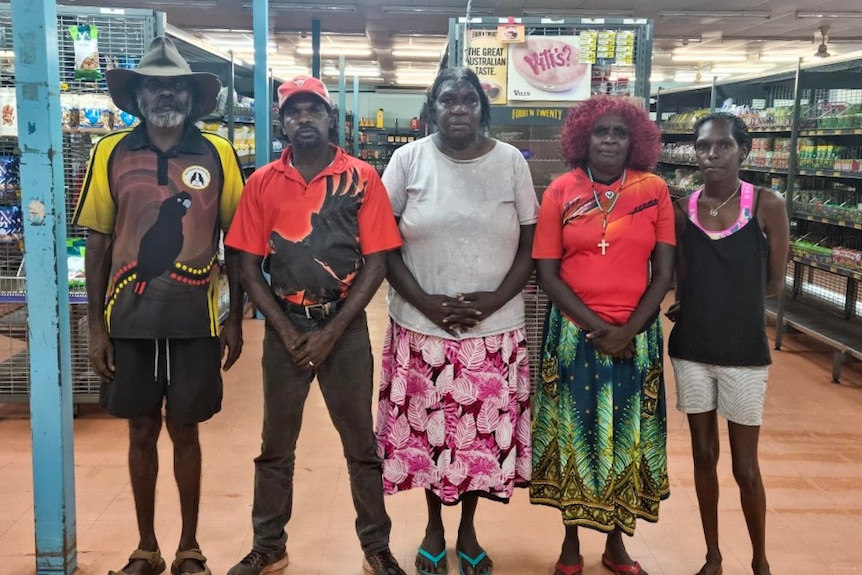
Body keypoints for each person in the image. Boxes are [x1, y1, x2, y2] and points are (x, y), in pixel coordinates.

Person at [74, 37, 245, 575]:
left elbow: (237, 243)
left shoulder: (217, 153)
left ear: (191, 97)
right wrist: (95, 323)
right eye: (154, 84)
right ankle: (146, 547)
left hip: (197, 320)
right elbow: (99, 241)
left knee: (187, 430)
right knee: (141, 428)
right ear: (140, 95)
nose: (164, 93)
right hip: (128, 321)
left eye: (175, 85)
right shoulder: (111, 153)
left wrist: (236, 316)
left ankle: (190, 547)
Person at [224, 75, 406, 575]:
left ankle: (376, 546)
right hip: (286, 325)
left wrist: (330, 332)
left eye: (314, 110)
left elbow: (377, 262)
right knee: (275, 446)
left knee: (360, 444)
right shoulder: (262, 182)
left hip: (343, 331)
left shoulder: (364, 178)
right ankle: (268, 546)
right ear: (282, 123)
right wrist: (284, 331)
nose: (304, 119)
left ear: (331, 119)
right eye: (294, 112)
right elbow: (246, 265)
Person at [374, 67, 537, 575]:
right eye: (448, 100)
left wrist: (490, 302)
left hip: (492, 331)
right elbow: (383, 243)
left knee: (477, 442)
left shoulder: (511, 163)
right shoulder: (407, 160)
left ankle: (467, 531)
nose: (459, 108)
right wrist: (425, 301)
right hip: (421, 330)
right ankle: (432, 528)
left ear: (482, 111)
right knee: (427, 437)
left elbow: (531, 247)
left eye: (469, 100)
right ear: (432, 109)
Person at [530, 96, 676, 575]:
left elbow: (664, 272)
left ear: (636, 140)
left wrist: (627, 330)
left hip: (637, 337)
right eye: (600, 132)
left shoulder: (654, 190)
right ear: (582, 139)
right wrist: (599, 329)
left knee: (627, 438)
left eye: (619, 132)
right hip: (573, 335)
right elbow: (547, 274)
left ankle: (616, 545)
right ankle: (570, 543)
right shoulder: (560, 190)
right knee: (573, 435)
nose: (610, 140)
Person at [667, 112, 790, 575]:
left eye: (722, 146)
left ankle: (760, 561)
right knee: (702, 455)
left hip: (744, 352)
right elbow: (681, 277)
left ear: (744, 151)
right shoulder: (682, 210)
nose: (711, 155)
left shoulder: (766, 205)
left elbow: (774, 281)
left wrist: (731, 299)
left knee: (745, 467)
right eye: (702, 147)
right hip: (692, 349)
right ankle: (713, 556)